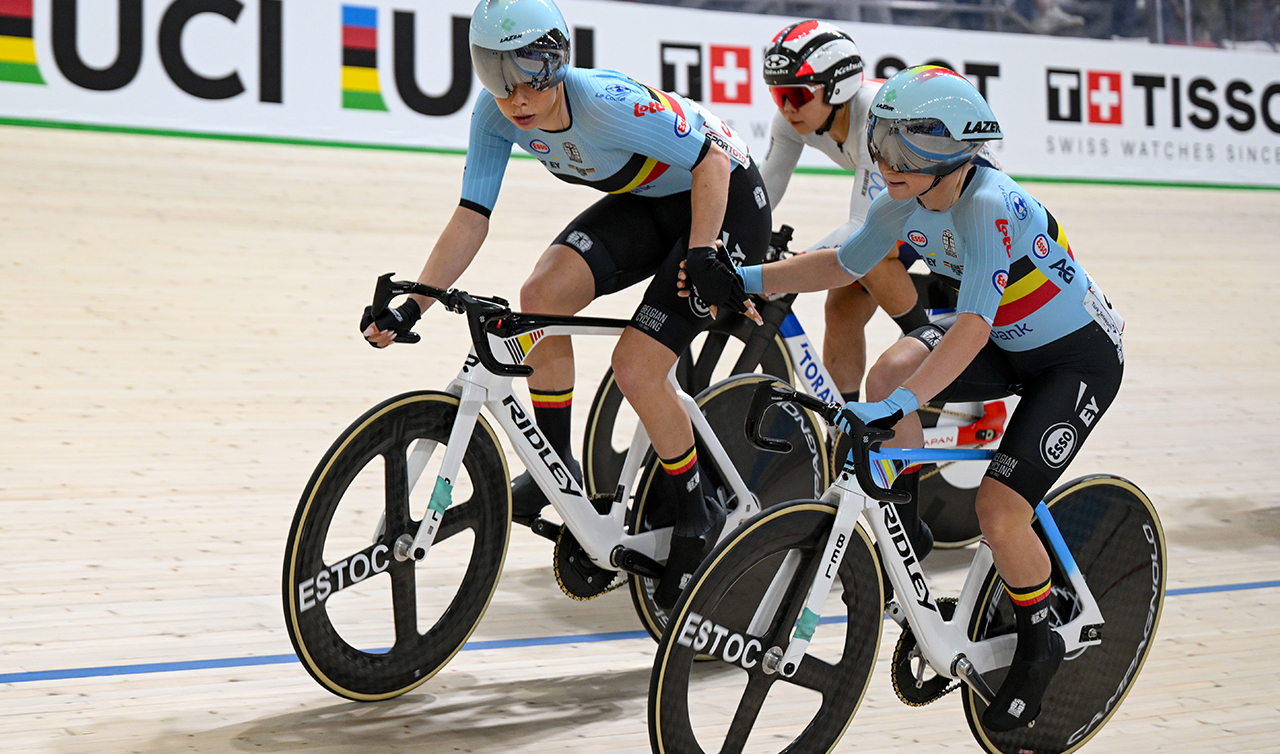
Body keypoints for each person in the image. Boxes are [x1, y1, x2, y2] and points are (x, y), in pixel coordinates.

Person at [727, 65, 1125, 731]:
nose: (883, 161)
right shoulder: (902, 196)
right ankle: (906, 530)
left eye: (900, 149)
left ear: (948, 152)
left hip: (1074, 359)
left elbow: (970, 328)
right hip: (1008, 340)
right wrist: (745, 277)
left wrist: (902, 404)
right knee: (884, 378)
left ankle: (1040, 640)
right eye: (879, 143)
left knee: (999, 510)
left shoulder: (990, 205)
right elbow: (844, 263)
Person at [361, 0, 769, 610]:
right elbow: (471, 216)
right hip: (652, 199)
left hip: (724, 201)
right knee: (540, 298)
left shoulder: (604, 101)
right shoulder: (494, 114)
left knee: (636, 367)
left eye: (529, 76)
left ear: (556, 62)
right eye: (497, 76)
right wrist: (414, 306)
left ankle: (697, 513)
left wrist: (705, 253)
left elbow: (714, 158)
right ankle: (555, 470)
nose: (516, 97)